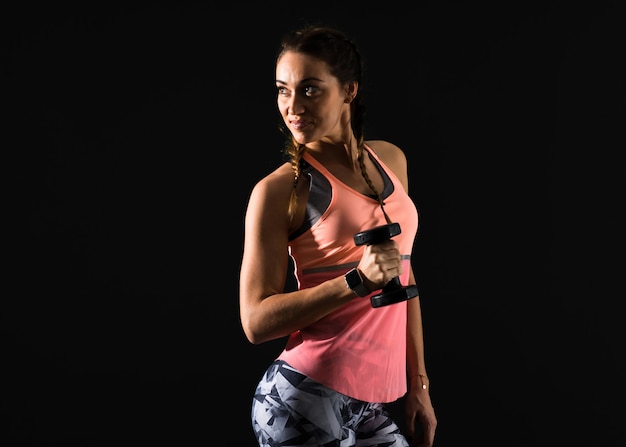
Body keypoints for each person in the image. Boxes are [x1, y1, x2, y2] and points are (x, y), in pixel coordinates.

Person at [239, 24, 437, 447]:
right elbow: (255, 322)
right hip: (303, 401)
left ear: (349, 90)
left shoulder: (389, 160)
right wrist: (355, 282)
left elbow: (404, 273)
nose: (292, 106)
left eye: (309, 90)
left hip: (368, 403)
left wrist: (419, 385)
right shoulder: (280, 191)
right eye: (282, 90)